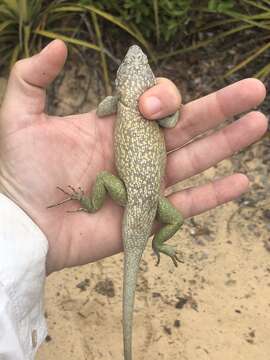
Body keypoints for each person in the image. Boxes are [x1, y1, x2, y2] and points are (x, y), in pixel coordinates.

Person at [0, 39, 267, 359]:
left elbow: (102, 110)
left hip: (133, 194)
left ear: (121, 82)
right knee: (175, 218)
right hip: (152, 200)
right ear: (147, 83)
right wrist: (171, 109)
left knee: (103, 181)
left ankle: (91, 205)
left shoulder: (118, 102)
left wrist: (121, 100)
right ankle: (159, 242)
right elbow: (170, 120)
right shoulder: (148, 109)